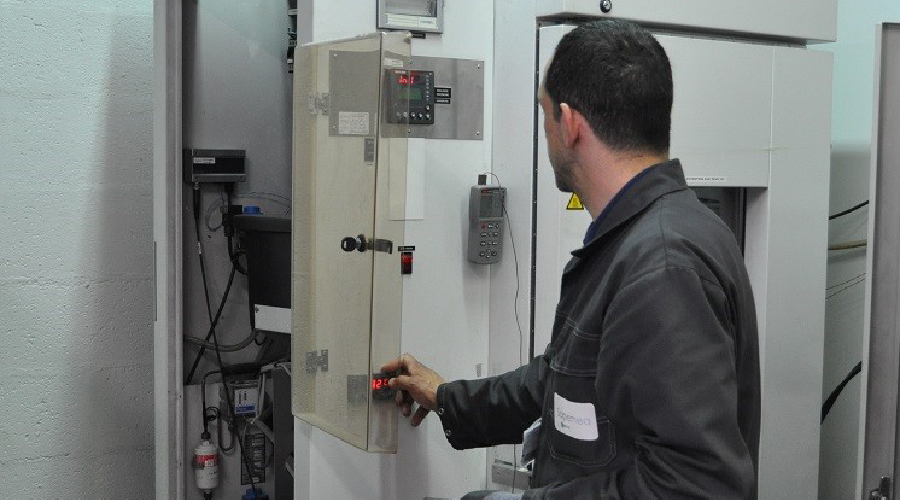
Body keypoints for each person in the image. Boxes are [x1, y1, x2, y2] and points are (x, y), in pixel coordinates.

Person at [383, 19, 760, 500]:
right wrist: (445, 397)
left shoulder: (663, 264)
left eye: (544, 115)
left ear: (570, 123)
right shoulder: (640, 238)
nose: (546, 133)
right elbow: (560, 380)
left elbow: (693, 487)